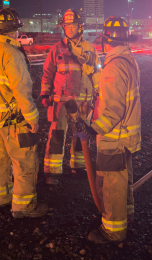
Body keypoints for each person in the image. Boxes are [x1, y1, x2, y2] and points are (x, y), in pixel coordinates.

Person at [0, 8, 48, 218]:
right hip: (14, 122)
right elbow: (22, 90)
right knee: (24, 162)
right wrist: (32, 117)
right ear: (14, 31)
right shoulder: (12, 54)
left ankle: (0, 198)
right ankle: (24, 207)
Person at [87, 16, 141, 244]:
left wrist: (92, 129)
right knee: (123, 179)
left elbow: (113, 109)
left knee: (111, 184)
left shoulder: (114, 66)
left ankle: (114, 230)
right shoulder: (128, 60)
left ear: (106, 41)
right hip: (126, 135)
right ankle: (125, 214)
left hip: (113, 137)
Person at [41, 9, 101, 185]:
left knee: (80, 136)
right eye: (66, 26)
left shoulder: (89, 49)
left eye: (72, 25)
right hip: (61, 102)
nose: (69, 29)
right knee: (57, 135)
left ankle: (79, 167)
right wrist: (45, 93)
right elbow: (48, 73)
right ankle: (52, 172)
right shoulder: (56, 49)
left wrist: (100, 94)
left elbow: (97, 72)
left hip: (83, 102)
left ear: (80, 27)